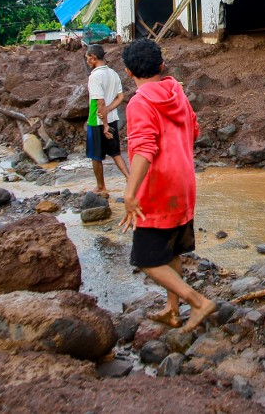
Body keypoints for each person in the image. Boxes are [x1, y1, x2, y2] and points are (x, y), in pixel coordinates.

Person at [118, 38, 216, 333]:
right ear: (162, 65)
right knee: (170, 251)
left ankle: (197, 302)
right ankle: (172, 310)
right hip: (185, 184)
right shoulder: (177, 91)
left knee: (147, 260)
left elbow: (145, 150)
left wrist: (129, 192)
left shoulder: (139, 102)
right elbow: (195, 129)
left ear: (128, 72)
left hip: (159, 188)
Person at [85, 44, 129, 195]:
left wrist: (104, 125)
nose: (87, 61)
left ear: (94, 57)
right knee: (115, 152)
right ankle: (129, 178)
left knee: (95, 156)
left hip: (97, 121)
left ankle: (101, 186)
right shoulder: (113, 73)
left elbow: (100, 102)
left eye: (87, 58)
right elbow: (121, 97)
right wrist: (110, 110)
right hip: (113, 119)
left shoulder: (95, 76)